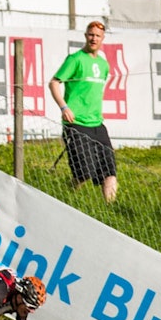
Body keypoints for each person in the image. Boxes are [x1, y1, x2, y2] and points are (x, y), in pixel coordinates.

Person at [49, 20, 119, 203]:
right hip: (76, 123)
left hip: (97, 124)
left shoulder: (103, 65)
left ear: (103, 38)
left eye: (97, 36)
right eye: (91, 35)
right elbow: (54, 83)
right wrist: (64, 107)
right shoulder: (75, 59)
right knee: (84, 173)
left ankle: (110, 210)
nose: (94, 38)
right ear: (86, 36)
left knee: (110, 172)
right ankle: (66, 199)